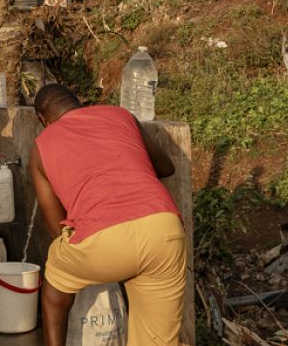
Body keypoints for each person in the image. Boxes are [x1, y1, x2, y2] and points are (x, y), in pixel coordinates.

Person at [29, 84, 186, 346]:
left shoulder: (41, 147)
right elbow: (166, 167)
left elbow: (57, 228)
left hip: (103, 240)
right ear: (79, 102)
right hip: (164, 229)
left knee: (54, 286)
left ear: (41, 119)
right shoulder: (121, 115)